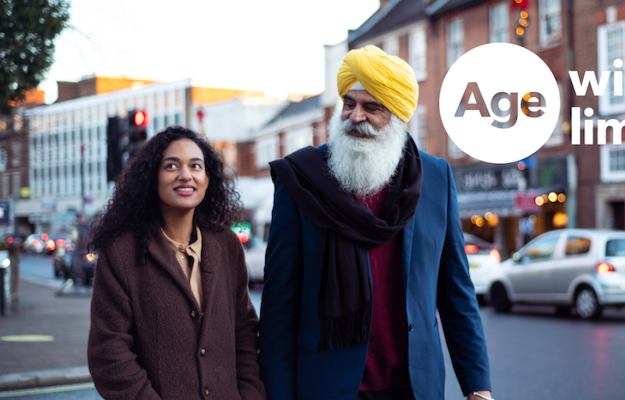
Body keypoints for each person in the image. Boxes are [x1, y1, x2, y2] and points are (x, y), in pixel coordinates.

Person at [259, 45, 492, 400]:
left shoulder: (436, 177)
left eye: (372, 107)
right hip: (329, 387)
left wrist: (477, 385)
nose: (356, 116)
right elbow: (279, 307)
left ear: (398, 116)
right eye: (349, 104)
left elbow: (456, 293)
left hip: (414, 387)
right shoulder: (301, 179)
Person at [87, 127, 265, 399]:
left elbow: (243, 333)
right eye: (171, 165)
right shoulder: (121, 253)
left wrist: (250, 395)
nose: (186, 175)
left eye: (196, 166)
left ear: (207, 179)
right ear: (152, 178)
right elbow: (110, 353)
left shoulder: (226, 245)